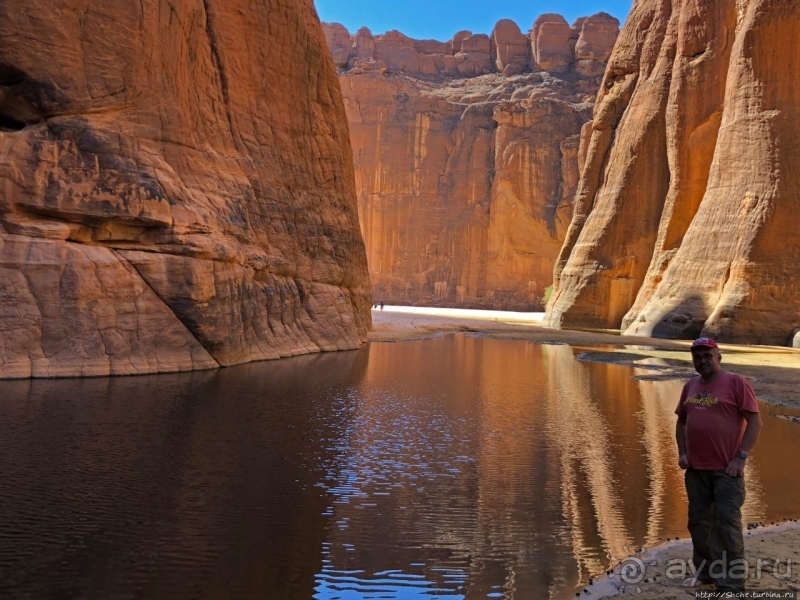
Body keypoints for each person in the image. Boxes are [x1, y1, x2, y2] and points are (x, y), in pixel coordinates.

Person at [675, 337, 762, 591]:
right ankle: (706, 574)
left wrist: (740, 457)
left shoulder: (736, 382)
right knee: (698, 522)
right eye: (697, 357)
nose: (702, 361)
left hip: (726, 470)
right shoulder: (690, 386)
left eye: (707, 356)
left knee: (726, 524)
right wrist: (682, 453)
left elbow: (755, 423)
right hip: (696, 469)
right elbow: (681, 421)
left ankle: (732, 585)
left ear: (718, 357)